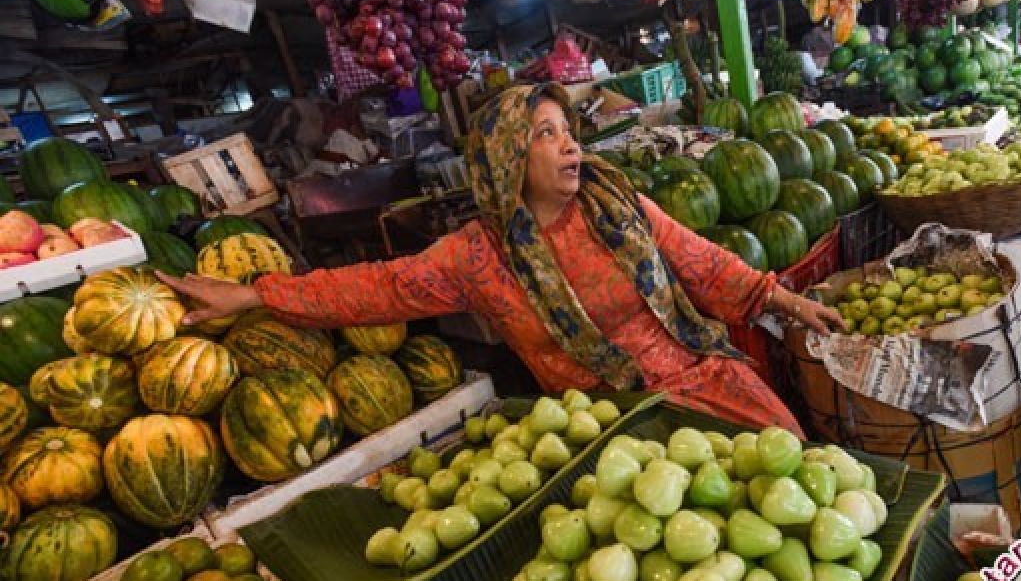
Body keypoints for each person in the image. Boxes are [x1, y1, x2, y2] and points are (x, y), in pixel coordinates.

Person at [159, 84, 844, 432]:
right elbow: (376, 288)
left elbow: (703, 263)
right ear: (507, 156)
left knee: (800, 467)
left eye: (569, 132)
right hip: (613, 425)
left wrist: (788, 301)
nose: (572, 146)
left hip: (704, 379)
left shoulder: (618, 204)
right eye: (546, 134)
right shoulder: (476, 258)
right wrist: (254, 295)